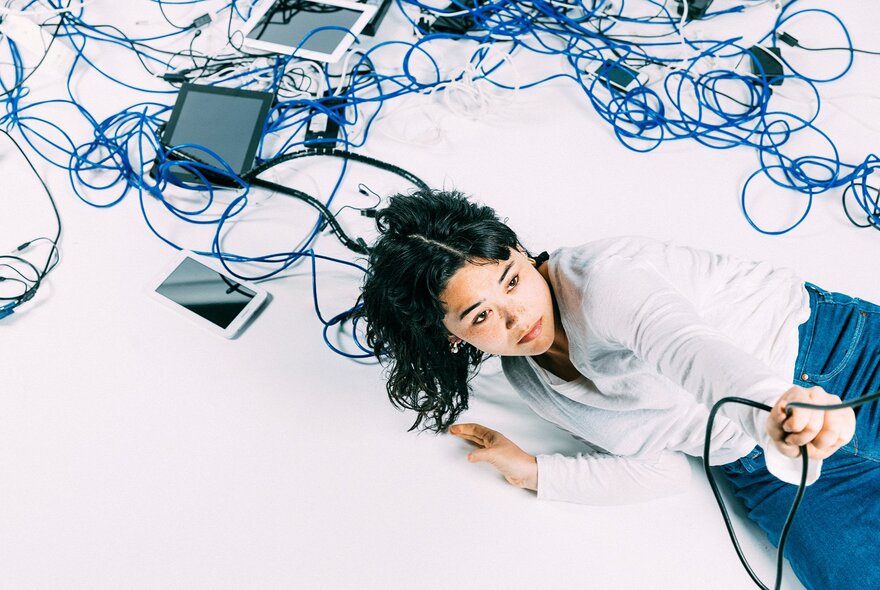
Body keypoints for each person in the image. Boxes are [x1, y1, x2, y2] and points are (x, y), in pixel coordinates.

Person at [358, 189, 879, 590]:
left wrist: (774, 404)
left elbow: (686, 347)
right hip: (761, 467)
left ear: (518, 251)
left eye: (512, 281)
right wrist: (536, 472)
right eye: (481, 315)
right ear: (451, 338)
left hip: (833, 361)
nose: (517, 317)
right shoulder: (529, 379)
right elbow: (663, 465)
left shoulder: (604, 281)